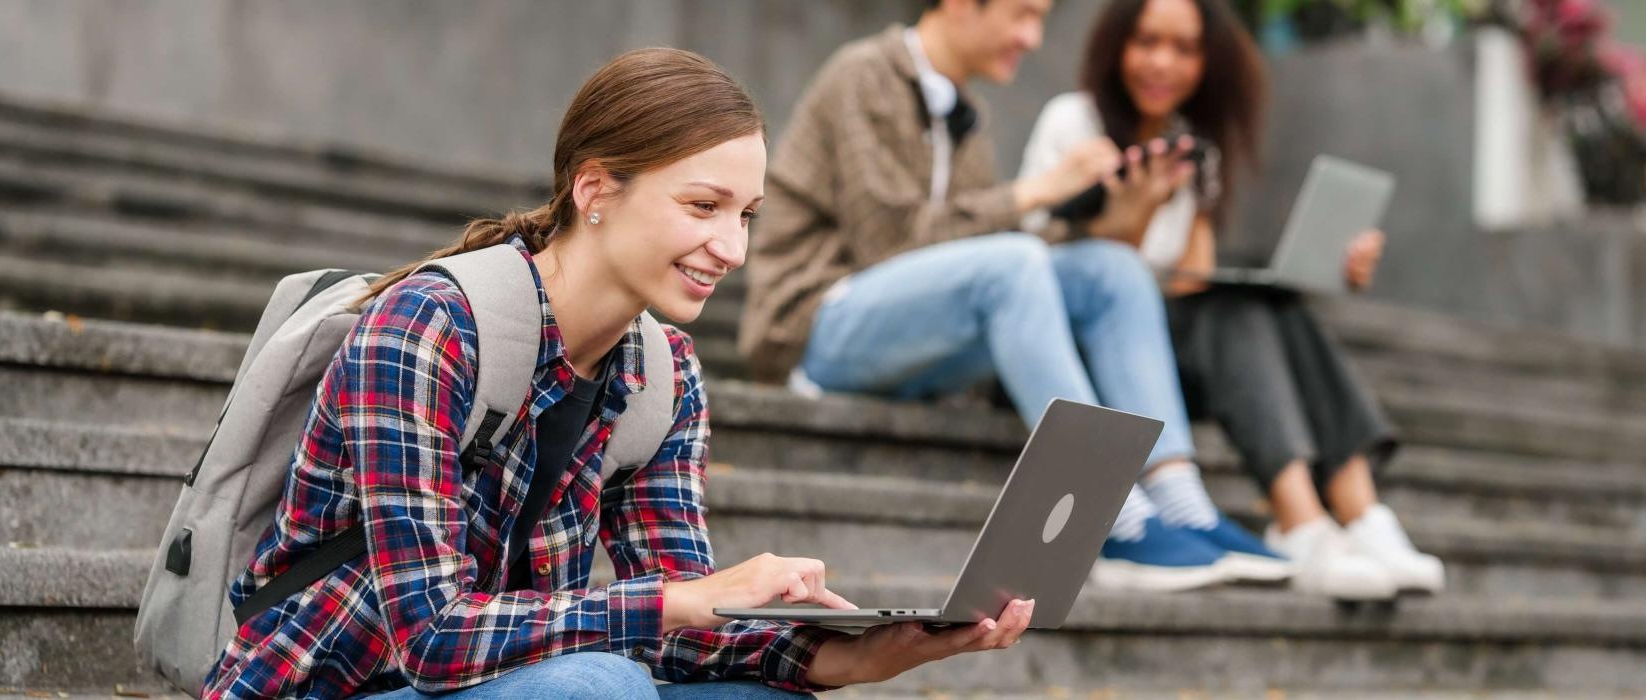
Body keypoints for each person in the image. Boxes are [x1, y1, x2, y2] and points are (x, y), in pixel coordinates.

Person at [203, 48, 1035, 700]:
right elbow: (432, 637)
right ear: (595, 188)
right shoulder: (426, 327)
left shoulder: (662, 371)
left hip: (505, 688)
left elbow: (677, 620)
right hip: (332, 686)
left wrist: (848, 658)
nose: (734, 249)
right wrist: (683, 601)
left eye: (746, 217)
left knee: (760, 698)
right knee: (600, 685)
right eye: (703, 207)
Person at [739, 0, 1290, 593]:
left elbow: (979, 246)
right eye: (1022, 14)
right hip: (815, 329)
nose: (1032, 38)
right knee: (1014, 262)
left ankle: (1182, 502)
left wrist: (1106, 217)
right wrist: (1039, 189)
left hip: (917, 347)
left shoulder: (967, 109)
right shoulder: (863, 72)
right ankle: (1108, 516)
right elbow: (889, 240)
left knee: (1110, 268)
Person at [1018, 0, 1446, 599]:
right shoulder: (1075, 123)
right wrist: (1134, 214)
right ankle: (1303, 522)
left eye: (1185, 48)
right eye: (1147, 42)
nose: (1162, 62)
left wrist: (1331, 271)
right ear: (1117, 46)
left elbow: (1195, 284)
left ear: (1207, 62)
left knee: (1265, 305)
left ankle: (1362, 516)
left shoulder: (1194, 150)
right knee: (1233, 309)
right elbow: (1050, 273)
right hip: (1077, 354)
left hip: (1165, 365)